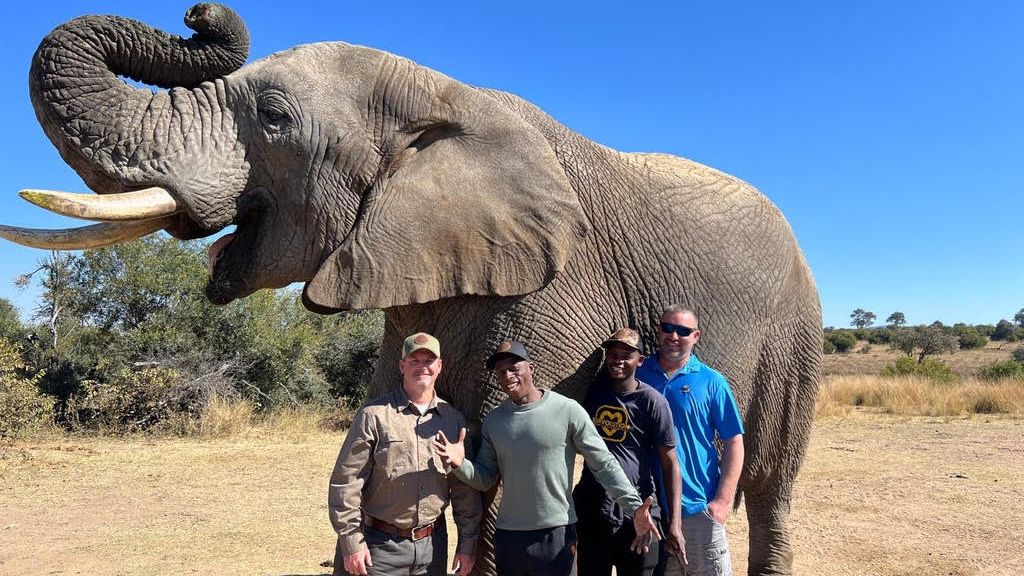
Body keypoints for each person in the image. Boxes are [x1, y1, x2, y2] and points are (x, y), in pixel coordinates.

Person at [433, 340, 661, 576]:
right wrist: (460, 464)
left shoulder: (567, 410)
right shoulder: (494, 420)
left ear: (531, 368)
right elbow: (486, 478)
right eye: (501, 371)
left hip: (556, 534)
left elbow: (603, 465)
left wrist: (634, 506)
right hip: (509, 537)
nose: (507, 375)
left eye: (514, 368)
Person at [328, 332, 481, 576]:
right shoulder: (374, 415)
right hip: (379, 547)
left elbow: (464, 492)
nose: (423, 367)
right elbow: (347, 481)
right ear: (402, 366)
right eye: (414, 361)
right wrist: (351, 541)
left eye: (429, 361)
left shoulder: (453, 421)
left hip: (432, 548)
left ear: (439, 366)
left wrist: (467, 544)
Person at [636, 306, 744, 576]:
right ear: (658, 331)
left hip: (698, 509)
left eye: (683, 331)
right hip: (650, 511)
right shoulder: (638, 375)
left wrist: (722, 501)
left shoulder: (712, 381)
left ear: (696, 337)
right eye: (668, 328)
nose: (674, 336)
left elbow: (734, 441)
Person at [572, 328, 686, 576]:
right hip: (593, 508)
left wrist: (674, 523)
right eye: (613, 354)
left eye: (626, 356)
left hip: (637, 510)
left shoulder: (652, 402)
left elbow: (670, 464)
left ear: (640, 360)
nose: (618, 361)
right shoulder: (594, 394)